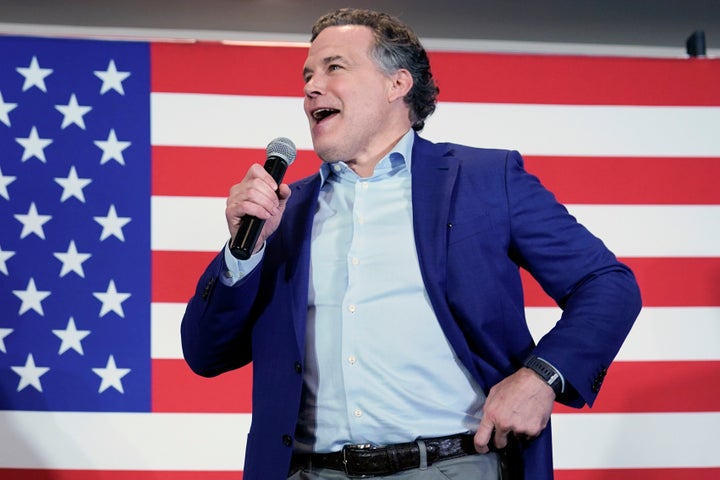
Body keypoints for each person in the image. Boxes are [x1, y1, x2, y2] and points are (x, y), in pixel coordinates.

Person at [181, 8, 642, 480]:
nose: (311, 87)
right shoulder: (283, 213)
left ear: (396, 84)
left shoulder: (486, 180)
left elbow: (607, 283)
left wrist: (541, 377)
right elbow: (205, 354)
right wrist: (244, 253)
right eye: (308, 74)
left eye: (334, 67)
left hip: (453, 465)